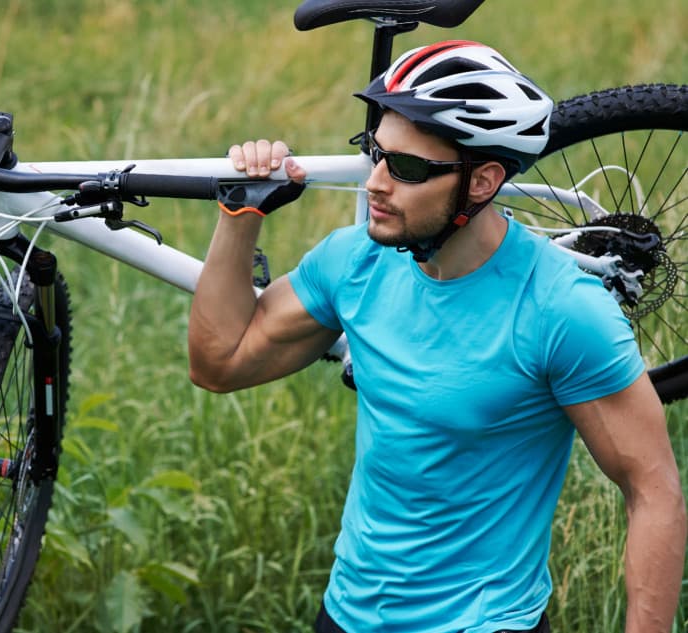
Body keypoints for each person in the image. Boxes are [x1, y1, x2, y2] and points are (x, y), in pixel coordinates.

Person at [188, 40, 686, 632]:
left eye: (408, 168)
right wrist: (239, 215)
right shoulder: (355, 263)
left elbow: (653, 490)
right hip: (346, 615)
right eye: (377, 154)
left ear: (483, 182)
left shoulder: (560, 310)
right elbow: (219, 364)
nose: (374, 183)